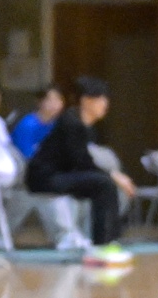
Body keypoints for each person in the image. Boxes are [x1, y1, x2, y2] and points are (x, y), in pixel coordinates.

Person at [26, 76, 132, 264]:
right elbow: (81, 162)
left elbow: (82, 162)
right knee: (103, 183)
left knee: (104, 184)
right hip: (44, 177)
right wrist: (115, 175)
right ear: (86, 101)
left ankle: (109, 242)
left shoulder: (85, 126)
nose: (105, 104)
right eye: (100, 98)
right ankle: (102, 246)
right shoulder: (71, 122)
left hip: (62, 175)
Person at [10, 84, 62, 160]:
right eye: (50, 100)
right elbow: (26, 155)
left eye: (58, 99)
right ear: (40, 102)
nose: (54, 104)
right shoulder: (28, 125)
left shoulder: (57, 124)